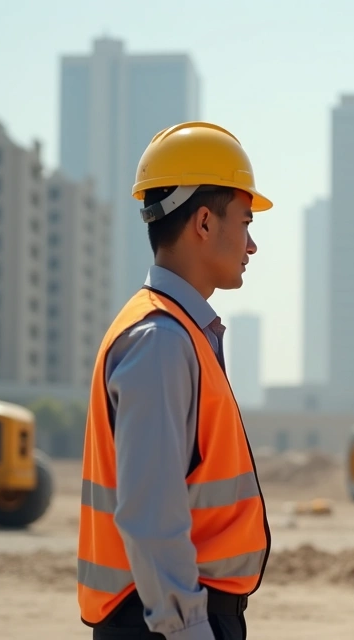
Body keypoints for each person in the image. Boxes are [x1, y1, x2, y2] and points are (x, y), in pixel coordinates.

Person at [77, 122, 274, 640]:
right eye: (246, 223)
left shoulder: (176, 331)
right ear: (204, 222)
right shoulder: (161, 340)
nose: (251, 245)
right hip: (165, 622)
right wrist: (186, 628)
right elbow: (150, 513)